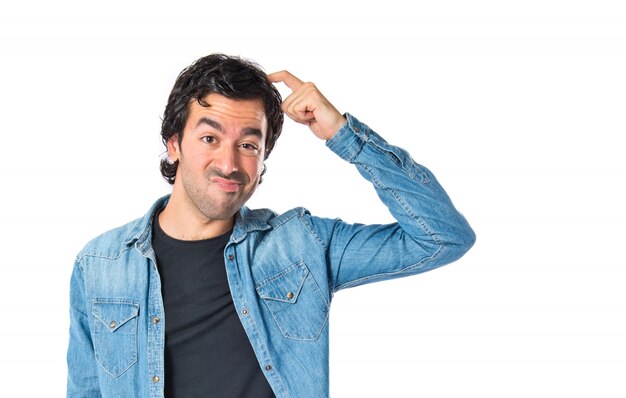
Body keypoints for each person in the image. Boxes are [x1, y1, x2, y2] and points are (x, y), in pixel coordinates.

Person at [67, 53, 475, 398]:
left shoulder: (302, 246)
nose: (228, 164)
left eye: (248, 144)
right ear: (173, 144)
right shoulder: (100, 265)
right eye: (210, 138)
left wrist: (342, 135)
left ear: (263, 158)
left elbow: (443, 237)